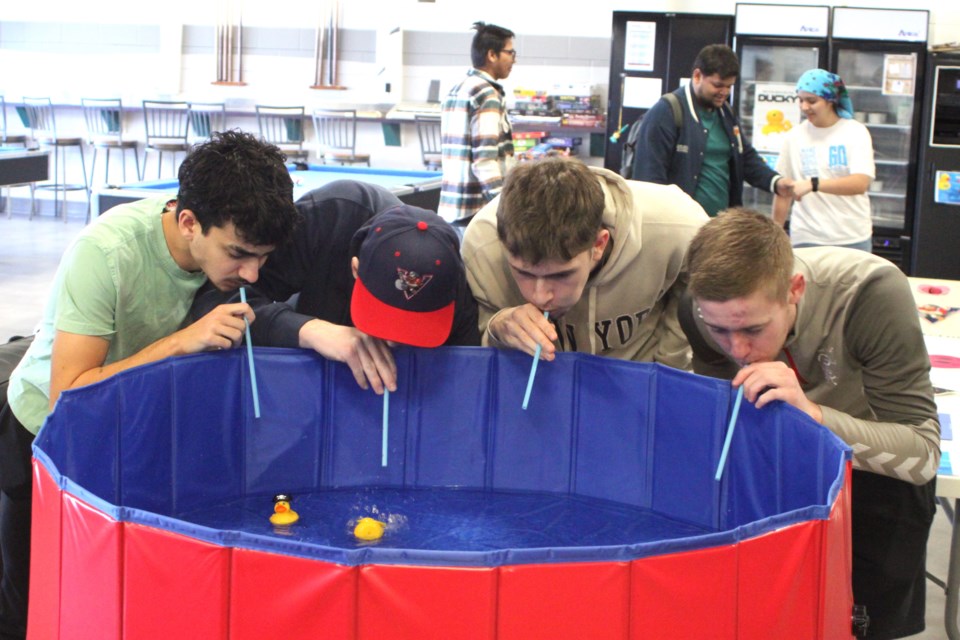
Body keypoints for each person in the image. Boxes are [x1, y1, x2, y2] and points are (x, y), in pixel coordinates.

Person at [0, 130, 299, 639]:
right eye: (238, 253)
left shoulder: (229, 256)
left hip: (130, 436)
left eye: (262, 258)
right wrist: (182, 341)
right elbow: (69, 396)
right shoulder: (106, 252)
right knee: (29, 607)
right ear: (188, 222)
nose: (250, 272)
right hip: (40, 439)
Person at [679, 209, 939, 639]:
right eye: (720, 331)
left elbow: (924, 453)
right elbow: (723, 421)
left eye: (753, 329)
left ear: (794, 290)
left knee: (868, 625)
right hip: (781, 477)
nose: (737, 348)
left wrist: (814, 416)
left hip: (878, 480)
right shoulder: (701, 310)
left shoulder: (871, 293)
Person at [190, 180, 480, 393]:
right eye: (384, 317)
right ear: (355, 269)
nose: (392, 342)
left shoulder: (453, 285)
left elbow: (463, 392)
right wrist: (309, 330)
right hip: (299, 389)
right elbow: (216, 299)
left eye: (413, 326)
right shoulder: (329, 218)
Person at [462, 156, 708, 369]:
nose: (540, 297)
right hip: (540, 391)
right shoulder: (484, 246)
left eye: (560, 275)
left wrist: (667, 369)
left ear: (598, 245)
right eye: (523, 273)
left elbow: (693, 292)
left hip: (638, 381)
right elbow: (480, 349)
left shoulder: (679, 229)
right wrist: (498, 327)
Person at [632, 44, 794, 216]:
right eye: (718, 85)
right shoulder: (666, 112)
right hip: (680, 226)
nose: (724, 92)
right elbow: (649, 180)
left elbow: (745, 158)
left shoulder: (726, 113)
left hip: (720, 228)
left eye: (729, 86)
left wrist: (775, 182)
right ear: (697, 76)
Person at [773, 68, 876, 252]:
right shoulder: (794, 137)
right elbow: (783, 191)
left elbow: (860, 183)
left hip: (852, 237)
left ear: (830, 100)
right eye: (801, 100)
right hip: (806, 237)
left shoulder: (855, 132)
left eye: (812, 101)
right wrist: (775, 235)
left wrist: (813, 184)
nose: (805, 107)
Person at [439, 21, 517, 230]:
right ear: (492, 55)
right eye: (510, 53)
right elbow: (484, 160)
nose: (514, 60)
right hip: (477, 211)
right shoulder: (487, 94)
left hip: (452, 207)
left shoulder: (457, 89)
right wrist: (504, 205)